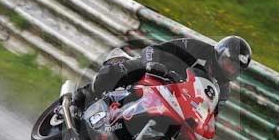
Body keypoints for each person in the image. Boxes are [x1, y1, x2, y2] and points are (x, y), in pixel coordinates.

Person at [73, 35, 252, 115]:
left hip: (174, 102)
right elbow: (155, 49)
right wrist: (152, 64)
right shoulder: (197, 48)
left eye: (235, 68)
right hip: (157, 73)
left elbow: (210, 115)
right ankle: (85, 94)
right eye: (229, 63)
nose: (230, 69)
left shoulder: (223, 91)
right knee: (127, 69)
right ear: (220, 54)